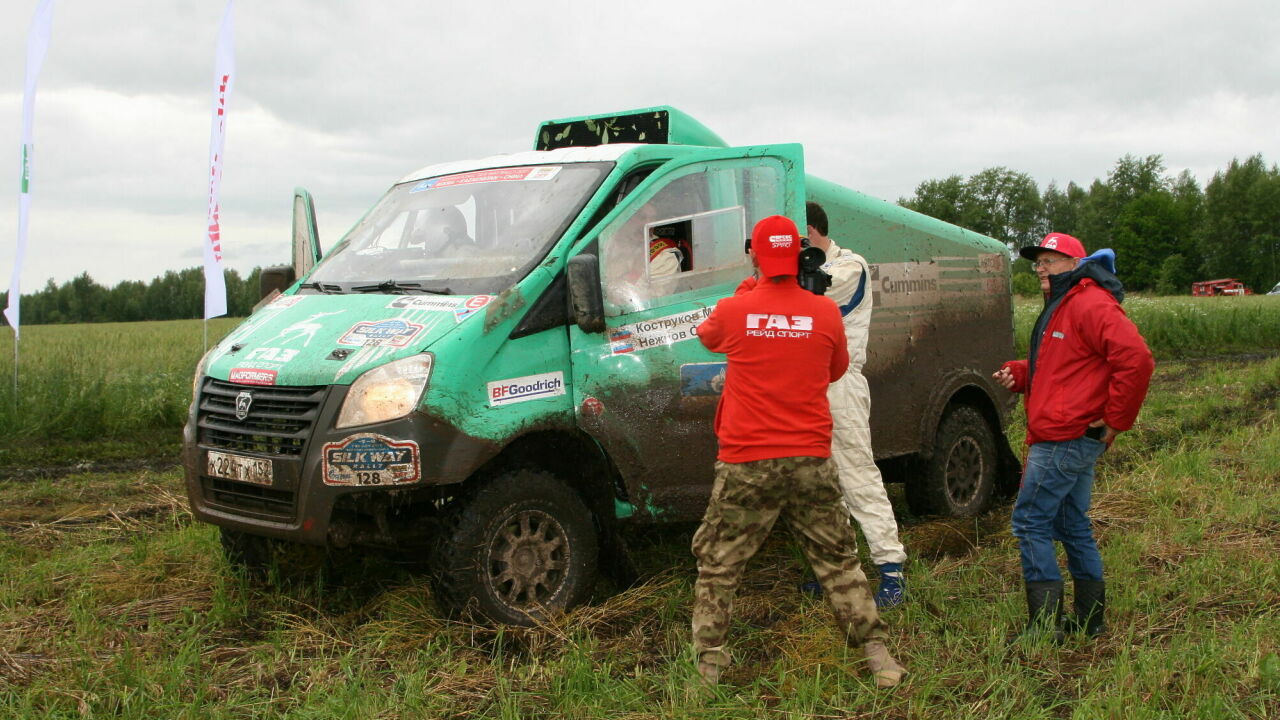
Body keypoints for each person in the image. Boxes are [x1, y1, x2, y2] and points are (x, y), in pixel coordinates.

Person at [691, 214, 906, 689]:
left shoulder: (734, 309)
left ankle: (709, 666)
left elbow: (706, 336)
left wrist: (749, 296)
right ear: (800, 255)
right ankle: (878, 656)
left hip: (747, 460)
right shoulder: (825, 312)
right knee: (838, 559)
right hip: (810, 458)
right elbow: (835, 370)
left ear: (756, 256)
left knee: (719, 564)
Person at [993, 232, 1153, 641]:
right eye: (1038, 262)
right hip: (1066, 433)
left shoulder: (1089, 302)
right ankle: (1088, 619)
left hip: (1065, 437)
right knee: (1071, 522)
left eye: (1050, 260)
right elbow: (1068, 366)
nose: (1041, 269)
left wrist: (1116, 420)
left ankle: (1045, 628)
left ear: (1075, 264)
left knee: (1030, 522)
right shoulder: (1063, 305)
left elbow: (1136, 360)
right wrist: (1024, 373)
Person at [803, 201, 908, 608]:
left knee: (857, 474)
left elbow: (815, 293)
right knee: (819, 484)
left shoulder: (851, 266)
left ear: (810, 231)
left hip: (839, 382)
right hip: (806, 387)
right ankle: (835, 572)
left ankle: (891, 569)